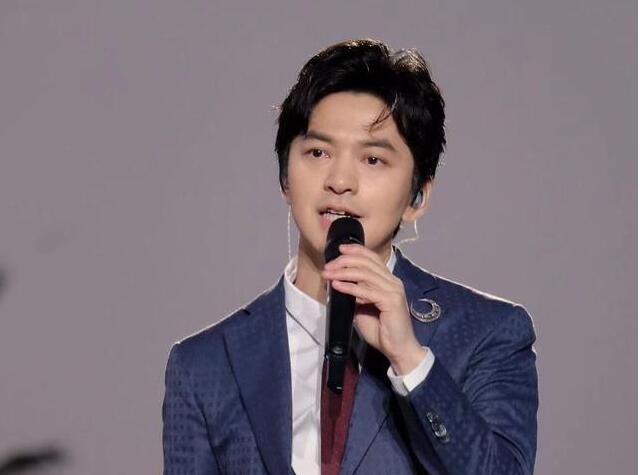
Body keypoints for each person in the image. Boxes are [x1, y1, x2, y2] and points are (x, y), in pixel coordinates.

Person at [162, 38, 538, 475]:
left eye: (373, 160)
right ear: (285, 177)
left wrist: (410, 360)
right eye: (318, 153)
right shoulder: (205, 365)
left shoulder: (487, 333)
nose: (340, 180)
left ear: (417, 196)